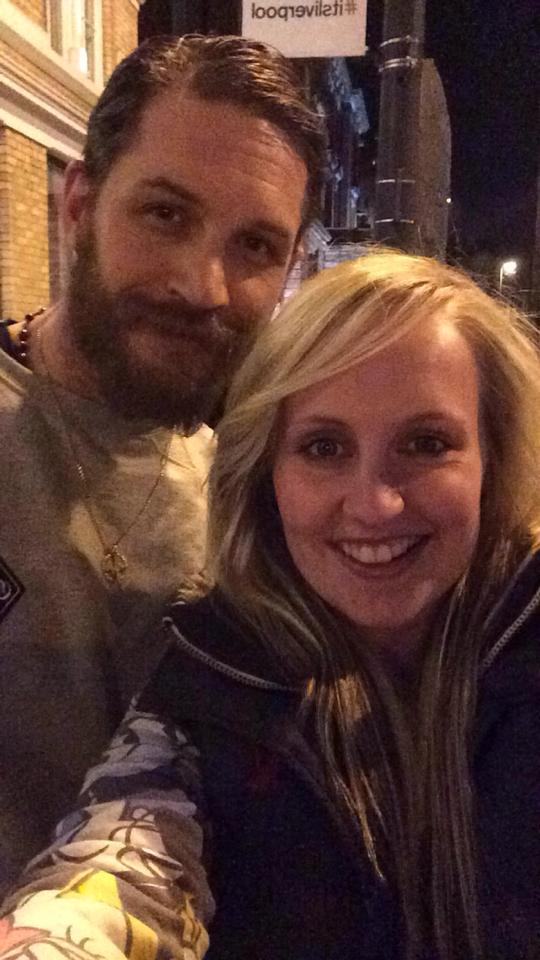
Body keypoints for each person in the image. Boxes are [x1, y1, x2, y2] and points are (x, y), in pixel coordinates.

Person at [2, 248, 540, 960]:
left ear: (493, 459)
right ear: (267, 475)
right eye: (323, 447)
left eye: (426, 442)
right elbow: (118, 864)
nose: (375, 504)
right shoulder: (204, 691)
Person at [0, 34, 325, 892]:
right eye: (166, 215)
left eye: (254, 246)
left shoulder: (274, 494)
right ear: (80, 204)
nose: (202, 287)